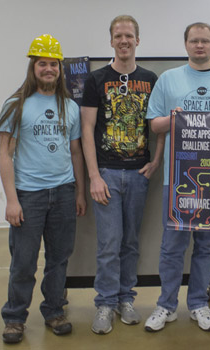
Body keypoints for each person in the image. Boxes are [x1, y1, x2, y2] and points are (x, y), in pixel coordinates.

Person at [144, 22, 210, 333]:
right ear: (186, 45)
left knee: (206, 243)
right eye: (194, 41)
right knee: (172, 244)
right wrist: (174, 118)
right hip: (178, 177)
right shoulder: (169, 79)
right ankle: (166, 305)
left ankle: (198, 304)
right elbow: (154, 125)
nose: (200, 46)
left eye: (205, 41)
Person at [0, 34, 86, 344]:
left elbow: (76, 152)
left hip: (63, 192)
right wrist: (11, 200)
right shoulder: (15, 104)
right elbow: (4, 154)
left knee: (59, 259)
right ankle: (14, 317)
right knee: (23, 261)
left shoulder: (69, 106)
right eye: (42, 63)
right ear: (33, 67)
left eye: (53, 64)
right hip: (28, 195)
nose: (49, 69)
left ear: (60, 69)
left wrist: (78, 192)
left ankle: (54, 310)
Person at [81, 15, 164, 334]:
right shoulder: (96, 79)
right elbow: (87, 130)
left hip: (139, 173)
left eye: (129, 35)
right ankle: (104, 302)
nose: (124, 40)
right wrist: (93, 176)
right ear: (111, 41)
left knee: (130, 242)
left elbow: (159, 127)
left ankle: (125, 300)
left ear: (137, 40)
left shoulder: (151, 79)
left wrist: (155, 161)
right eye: (118, 36)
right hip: (107, 173)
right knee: (109, 242)